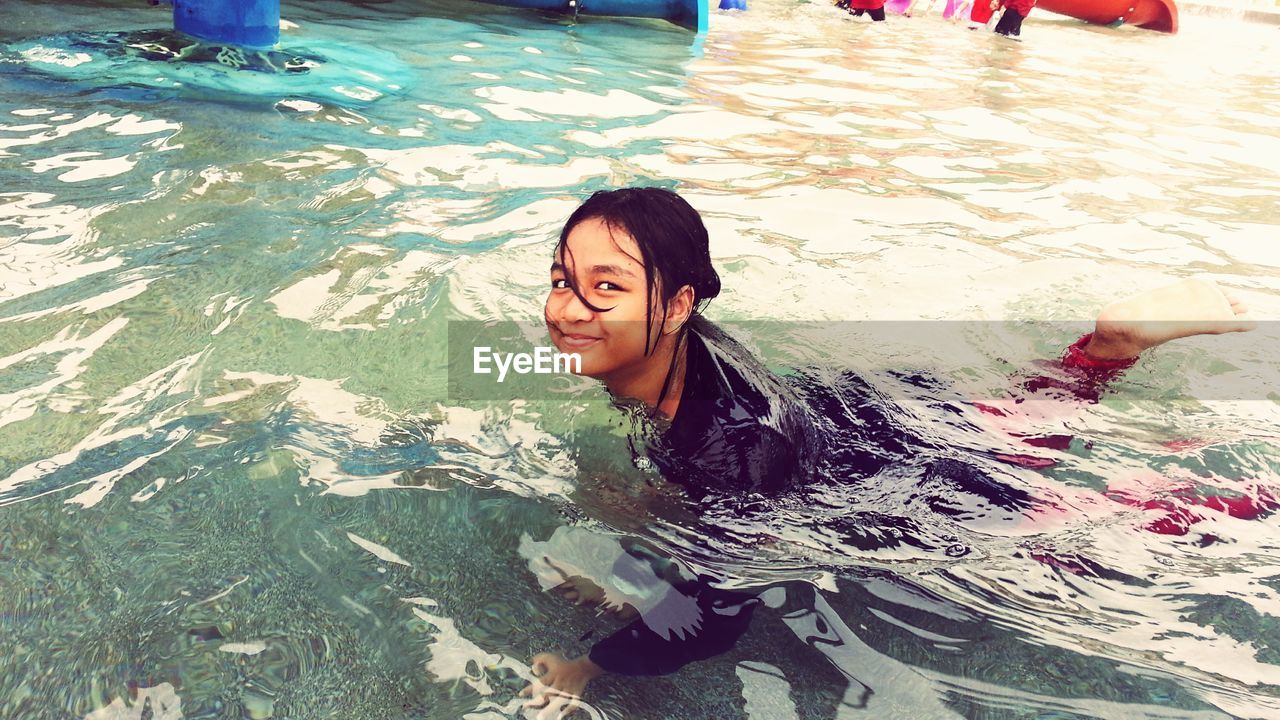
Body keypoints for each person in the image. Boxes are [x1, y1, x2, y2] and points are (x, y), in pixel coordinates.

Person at [519, 187, 1260, 717]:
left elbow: (718, 613)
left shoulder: (727, 455)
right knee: (1012, 424)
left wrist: (592, 665)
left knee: (1081, 534)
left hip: (910, 487)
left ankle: (1244, 493)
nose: (565, 309)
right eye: (562, 279)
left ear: (677, 305)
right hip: (869, 414)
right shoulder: (662, 348)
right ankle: (1104, 352)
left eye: (602, 288)